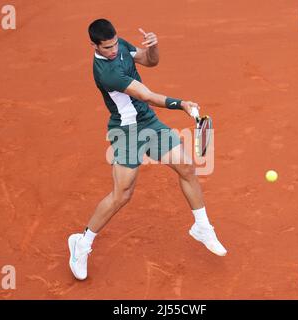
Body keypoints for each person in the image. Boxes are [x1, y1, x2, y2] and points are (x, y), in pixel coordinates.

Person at [68, 19, 227, 280]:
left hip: (148, 123)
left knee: (186, 166)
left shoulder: (120, 46)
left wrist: (153, 47)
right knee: (122, 195)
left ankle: (202, 227)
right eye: (107, 47)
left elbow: (149, 61)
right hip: (126, 131)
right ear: (94, 45)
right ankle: (81, 243)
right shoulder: (106, 72)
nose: (113, 49)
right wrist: (181, 103)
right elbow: (146, 95)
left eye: (115, 43)